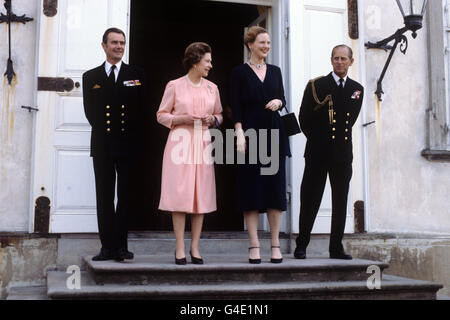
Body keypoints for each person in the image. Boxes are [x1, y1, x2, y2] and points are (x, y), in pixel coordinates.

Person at [82, 28, 147, 262]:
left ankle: (121, 246)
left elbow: (141, 111)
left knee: (126, 196)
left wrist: (132, 139)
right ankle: (107, 247)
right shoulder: (91, 77)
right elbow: (90, 113)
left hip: (128, 145)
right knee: (104, 196)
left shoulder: (136, 74)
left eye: (122, 42)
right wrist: (107, 133)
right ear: (104, 45)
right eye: (114, 43)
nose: (119, 46)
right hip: (102, 144)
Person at [294, 45, 364, 260]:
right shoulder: (317, 85)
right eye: (336, 58)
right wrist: (318, 140)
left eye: (344, 58)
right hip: (317, 152)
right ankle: (302, 244)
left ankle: (336, 247)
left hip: (342, 154)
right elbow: (304, 118)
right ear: (331, 60)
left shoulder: (356, 88)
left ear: (351, 62)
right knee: (310, 198)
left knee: (340, 200)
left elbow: (349, 121)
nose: (339, 62)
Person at [157, 42, 223, 265]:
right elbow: (161, 115)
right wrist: (179, 119)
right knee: (180, 194)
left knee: (200, 195)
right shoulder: (174, 86)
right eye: (207, 61)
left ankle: (195, 247)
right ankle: (179, 247)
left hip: (203, 142)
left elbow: (220, 115)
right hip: (180, 142)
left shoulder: (212, 88)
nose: (210, 65)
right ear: (195, 61)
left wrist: (214, 120)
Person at [230, 26, 290, 264]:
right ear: (250, 44)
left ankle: (275, 244)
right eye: (262, 42)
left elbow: (283, 98)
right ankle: (254, 244)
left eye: (268, 42)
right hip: (250, 134)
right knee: (250, 190)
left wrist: (278, 100)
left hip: (275, 133)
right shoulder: (239, 72)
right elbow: (235, 105)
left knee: (275, 190)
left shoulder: (275, 71)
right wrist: (239, 133)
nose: (266, 46)